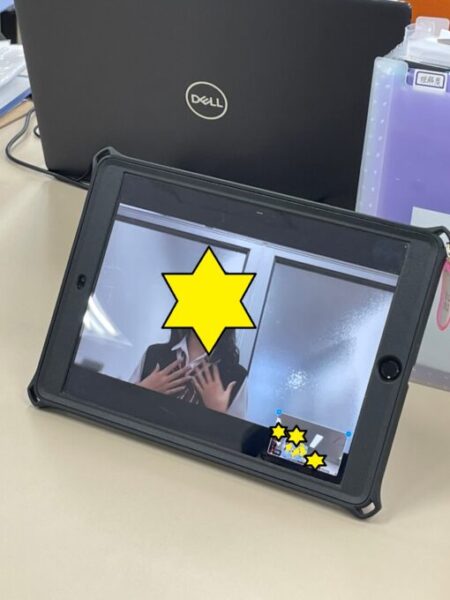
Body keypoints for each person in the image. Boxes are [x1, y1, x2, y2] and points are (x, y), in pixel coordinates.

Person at [130, 328, 248, 419]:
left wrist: (218, 413)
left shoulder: (236, 377)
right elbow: (123, 407)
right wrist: (141, 390)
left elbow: (235, 439)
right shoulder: (154, 354)